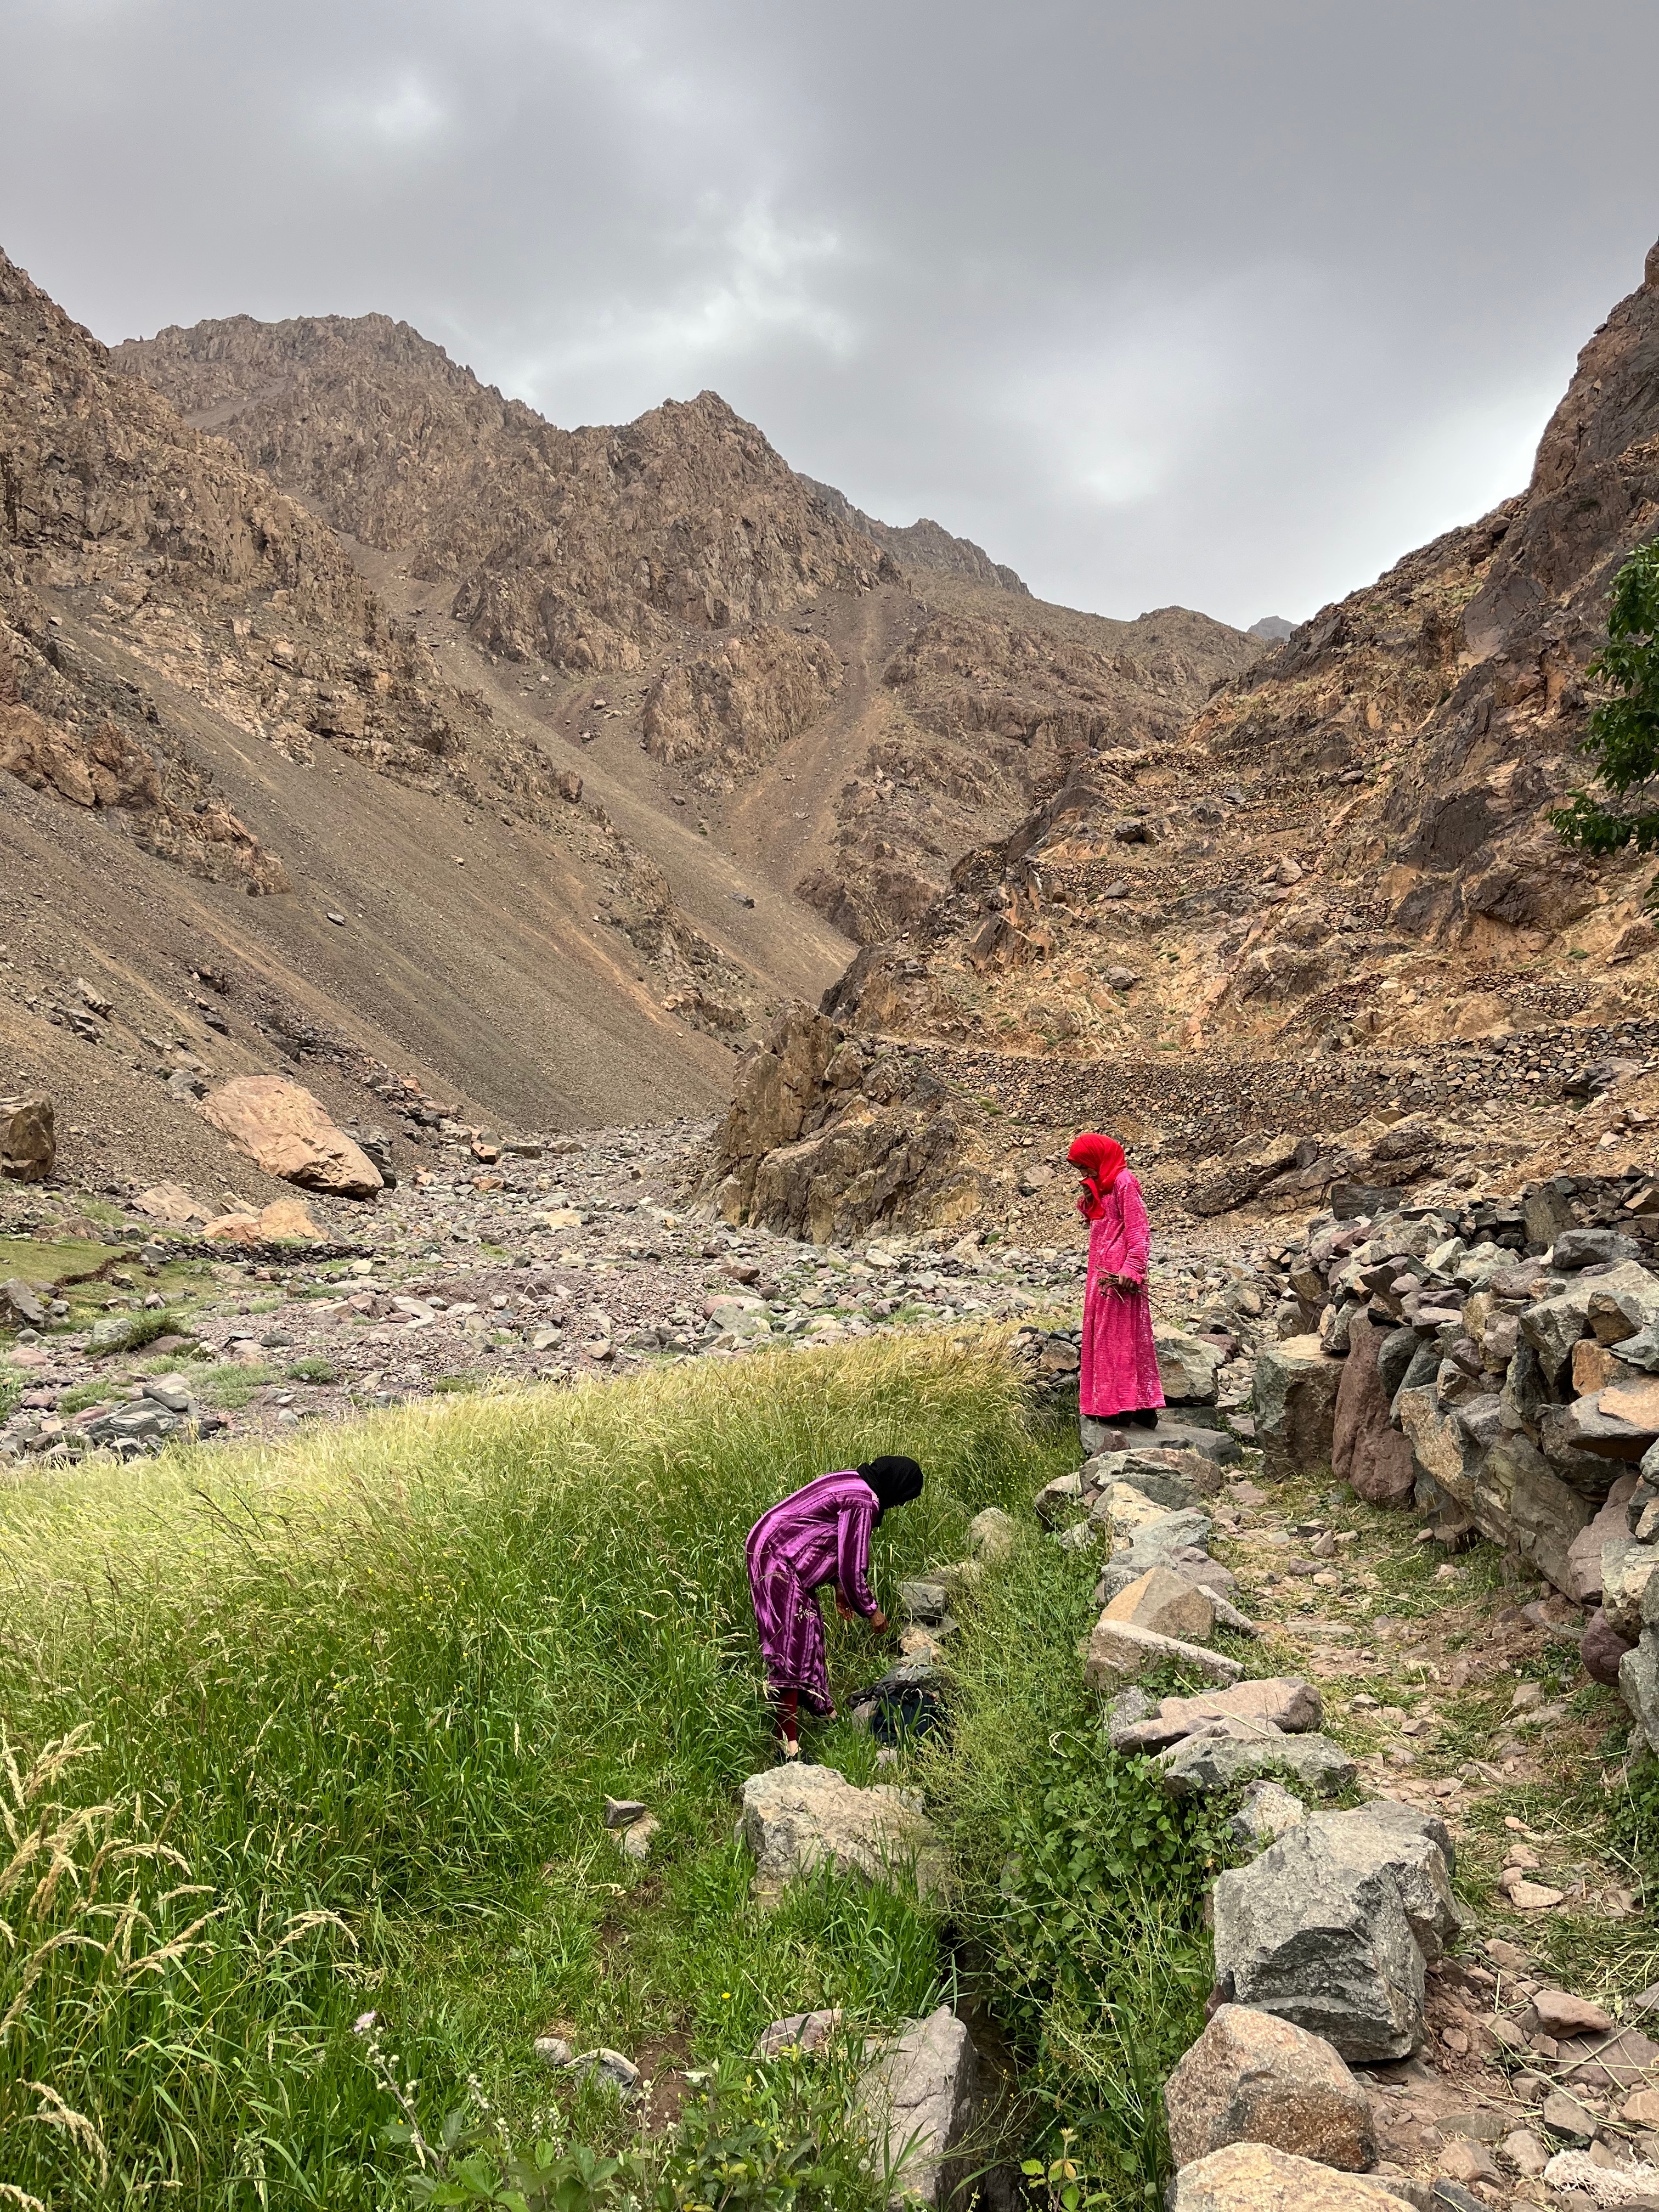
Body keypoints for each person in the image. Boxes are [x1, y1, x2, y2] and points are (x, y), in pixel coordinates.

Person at [746, 1456, 924, 1758]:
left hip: (779, 1552)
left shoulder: (855, 1482)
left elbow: (829, 1540)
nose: (901, 1506)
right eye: (905, 1498)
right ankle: (786, 1745)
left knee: (809, 1632)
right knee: (791, 1645)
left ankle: (821, 1709)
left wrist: (840, 1590)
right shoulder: (863, 1501)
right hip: (777, 1558)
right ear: (897, 1488)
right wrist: (872, 1611)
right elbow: (852, 1567)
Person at [1068, 1131, 1164, 1432]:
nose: (1083, 1173)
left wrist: (1133, 1268)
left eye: (1085, 1166)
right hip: (1103, 1274)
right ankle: (1134, 1407)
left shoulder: (1124, 1182)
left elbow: (1139, 1229)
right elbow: (1102, 1221)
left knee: (1117, 1341)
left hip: (1119, 1277)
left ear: (1099, 1158)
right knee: (1112, 1339)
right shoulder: (1106, 1185)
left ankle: (1118, 1409)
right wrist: (1089, 1197)